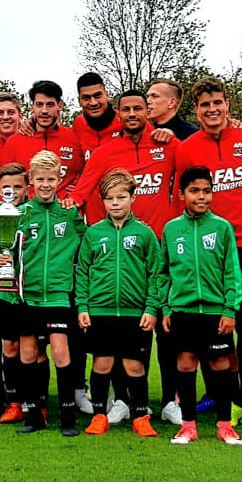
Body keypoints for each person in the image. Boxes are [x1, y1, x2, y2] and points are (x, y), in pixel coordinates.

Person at [175, 77, 242, 421]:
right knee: (202, 319)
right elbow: (180, 197)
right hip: (203, 249)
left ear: (228, 104)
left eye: (217, 103)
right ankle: (214, 392)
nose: (212, 110)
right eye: (204, 105)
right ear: (196, 110)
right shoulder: (187, 148)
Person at [77, 171, 165, 438]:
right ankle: (99, 415)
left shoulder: (145, 234)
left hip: (134, 313)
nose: (115, 203)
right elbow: (82, 271)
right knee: (102, 364)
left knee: (134, 366)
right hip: (100, 312)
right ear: (102, 201)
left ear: (132, 198)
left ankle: (140, 416)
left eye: (121, 197)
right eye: (109, 198)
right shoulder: (94, 233)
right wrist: (82, 306)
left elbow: (156, 273)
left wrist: (151, 308)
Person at [161, 167, 242, 446]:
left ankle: (225, 425)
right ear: (182, 194)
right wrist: (166, 307)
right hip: (183, 311)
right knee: (185, 364)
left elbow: (232, 271)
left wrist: (229, 309)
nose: (201, 197)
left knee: (220, 363)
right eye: (194, 191)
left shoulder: (221, 227)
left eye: (206, 191)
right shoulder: (172, 229)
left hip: (215, 312)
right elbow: (163, 272)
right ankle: (188, 426)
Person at [10, 151, 85, 436]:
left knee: (60, 353)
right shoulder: (21, 214)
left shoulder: (69, 212)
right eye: (39, 178)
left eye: (50, 179)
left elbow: (85, 239)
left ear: (59, 179)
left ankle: (67, 416)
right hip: (28, 295)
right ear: (30, 180)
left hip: (57, 294)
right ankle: (33, 414)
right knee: (28, 354)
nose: (45, 184)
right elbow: (9, 251)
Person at [71, 89, 178, 235]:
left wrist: (170, 133)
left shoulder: (168, 145)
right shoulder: (103, 153)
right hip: (121, 241)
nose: (132, 114)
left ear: (148, 112)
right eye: (126, 110)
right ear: (118, 114)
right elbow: (78, 196)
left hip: (159, 240)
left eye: (138, 108)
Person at [0, 162, 31, 424]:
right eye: (7, 187)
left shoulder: (34, 213)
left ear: (28, 189)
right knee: (10, 345)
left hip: (29, 292)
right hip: (3, 292)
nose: (12, 192)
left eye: (18, 187)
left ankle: (32, 400)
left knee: (31, 348)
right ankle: (12, 399)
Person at [5, 80, 80, 194]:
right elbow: (4, 182)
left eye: (50, 105)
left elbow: (86, 175)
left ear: (60, 106)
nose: (44, 111)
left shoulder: (74, 138)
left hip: (65, 209)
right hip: (28, 210)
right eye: (39, 105)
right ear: (32, 107)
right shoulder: (14, 142)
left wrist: (79, 191)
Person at [72, 72, 123, 164]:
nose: (93, 103)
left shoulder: (125, 120)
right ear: (79, 101)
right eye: (86, 98)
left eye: (97, 96)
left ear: (107, 95)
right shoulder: (78, 124)